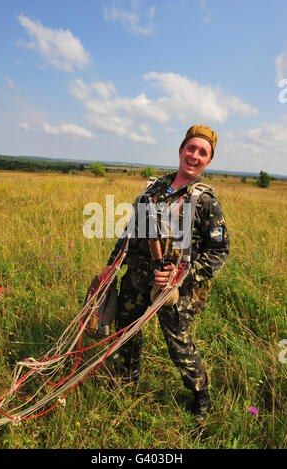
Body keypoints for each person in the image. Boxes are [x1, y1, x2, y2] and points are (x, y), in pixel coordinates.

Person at [98, 124, 230, 420]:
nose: (194, 155)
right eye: (191, 148)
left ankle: (201, 397)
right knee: (125, 330)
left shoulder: (205, 201)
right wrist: (111, 266)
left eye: (203, 152)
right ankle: (127, 380)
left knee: (179, 346)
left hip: (175, 290)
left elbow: (219, 251)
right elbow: (131, 232)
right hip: (136, 278)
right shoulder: (152, 189)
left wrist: (181, 275)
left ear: (209, 161)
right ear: (181, 150)